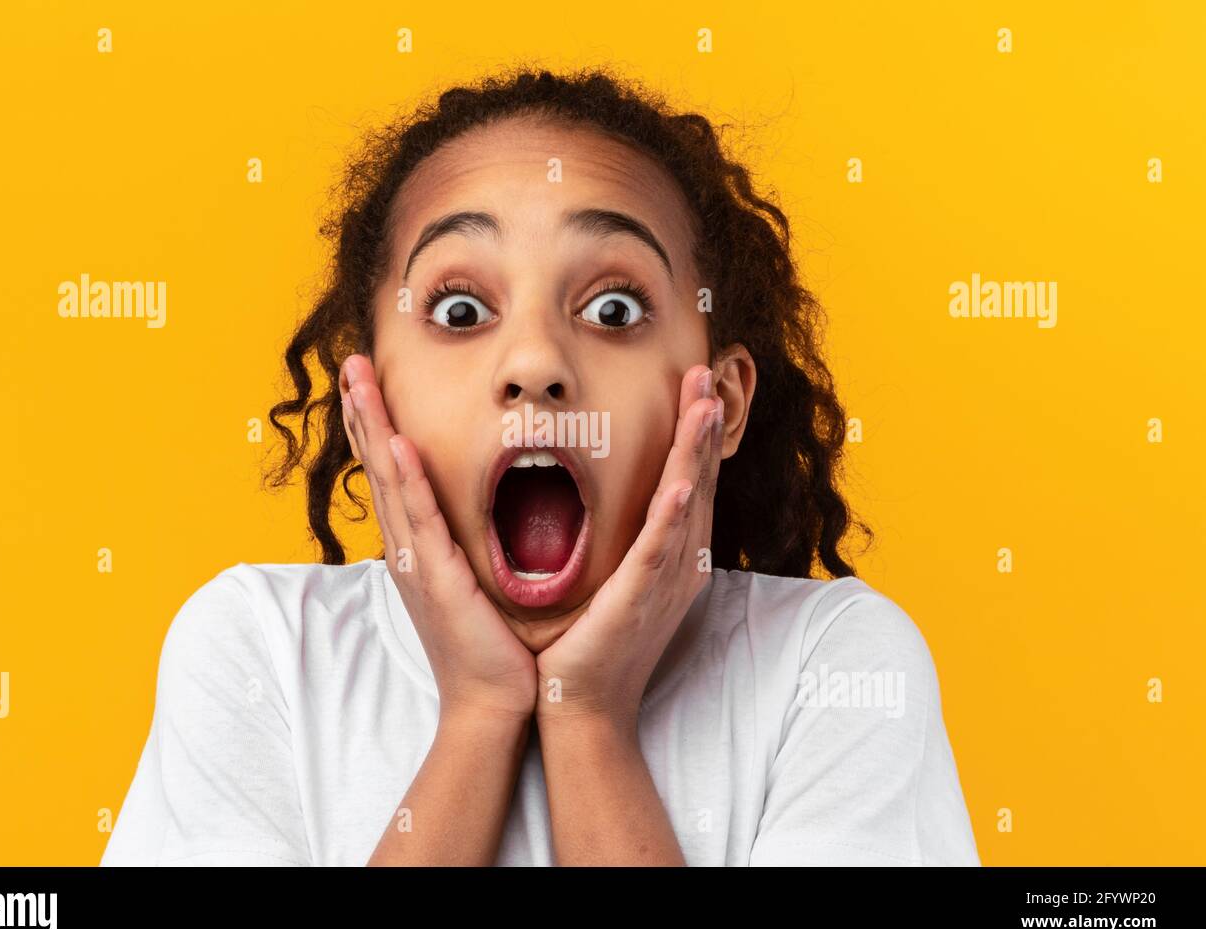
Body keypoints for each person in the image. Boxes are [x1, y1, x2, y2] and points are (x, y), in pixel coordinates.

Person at [101, 66, 979, 866]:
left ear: (726, 402)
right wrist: (480, 713)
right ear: (366, 401)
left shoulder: (835, 666)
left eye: (612, 306)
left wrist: (590, 720)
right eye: (456, 309)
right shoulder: (259, 652)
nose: (534, 363)